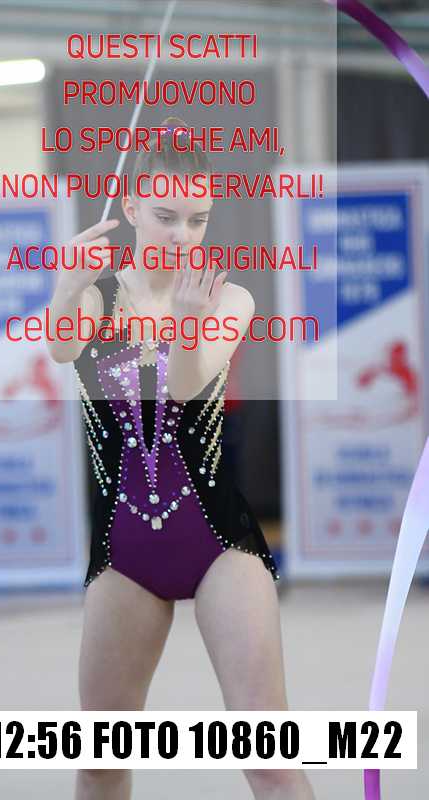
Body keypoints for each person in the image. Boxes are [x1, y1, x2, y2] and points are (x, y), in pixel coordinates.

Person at [47, 117, 315, 799]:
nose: (182, 236)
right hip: (123, 552)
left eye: (197, 220)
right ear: (131, 207)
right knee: (99, 761)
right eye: (165, 217)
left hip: (219, 541)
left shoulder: (228, 297)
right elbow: (60, 346)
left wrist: (190, 324)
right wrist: (67, 286)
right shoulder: (98, 297)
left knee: (270, 758)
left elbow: (190, 385)